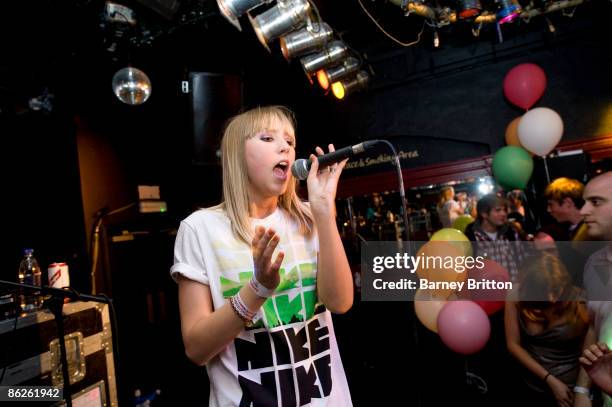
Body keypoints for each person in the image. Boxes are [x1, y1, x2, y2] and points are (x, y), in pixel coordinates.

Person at [170, 106, 354, 406]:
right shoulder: (199, 229)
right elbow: (196, 348)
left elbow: (340, 302)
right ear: (236, 155)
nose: (285, 147)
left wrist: (323, 211)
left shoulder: (311, 217)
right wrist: (257, 289)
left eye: (290, 141)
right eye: (267, 138)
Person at [505, 252, 589, 407]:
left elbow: (588, 352)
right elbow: (513, 345)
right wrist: (550, 379)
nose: (552, 298)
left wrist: (581, 391)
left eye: (557, 289)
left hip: (572, 391)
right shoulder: (515, 296)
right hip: (532, 385)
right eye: (543, 291)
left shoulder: (581, 301)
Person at [575, 171, 612, 406]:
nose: (583, 211)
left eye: (596, 202)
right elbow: (594, 326)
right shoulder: (595, 263)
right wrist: (582, 389)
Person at [464, 193, 526, 283]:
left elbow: (522, 260)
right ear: (484, 214)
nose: (504, 214)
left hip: (513, 290)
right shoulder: (472, 238)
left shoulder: (510, 233)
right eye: (498, 210)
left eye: (504, 210)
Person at [544, 177, 589, 242]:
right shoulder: (567, 229)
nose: (548, 210)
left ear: (568, 203)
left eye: (551, 204)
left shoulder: (590, 232)